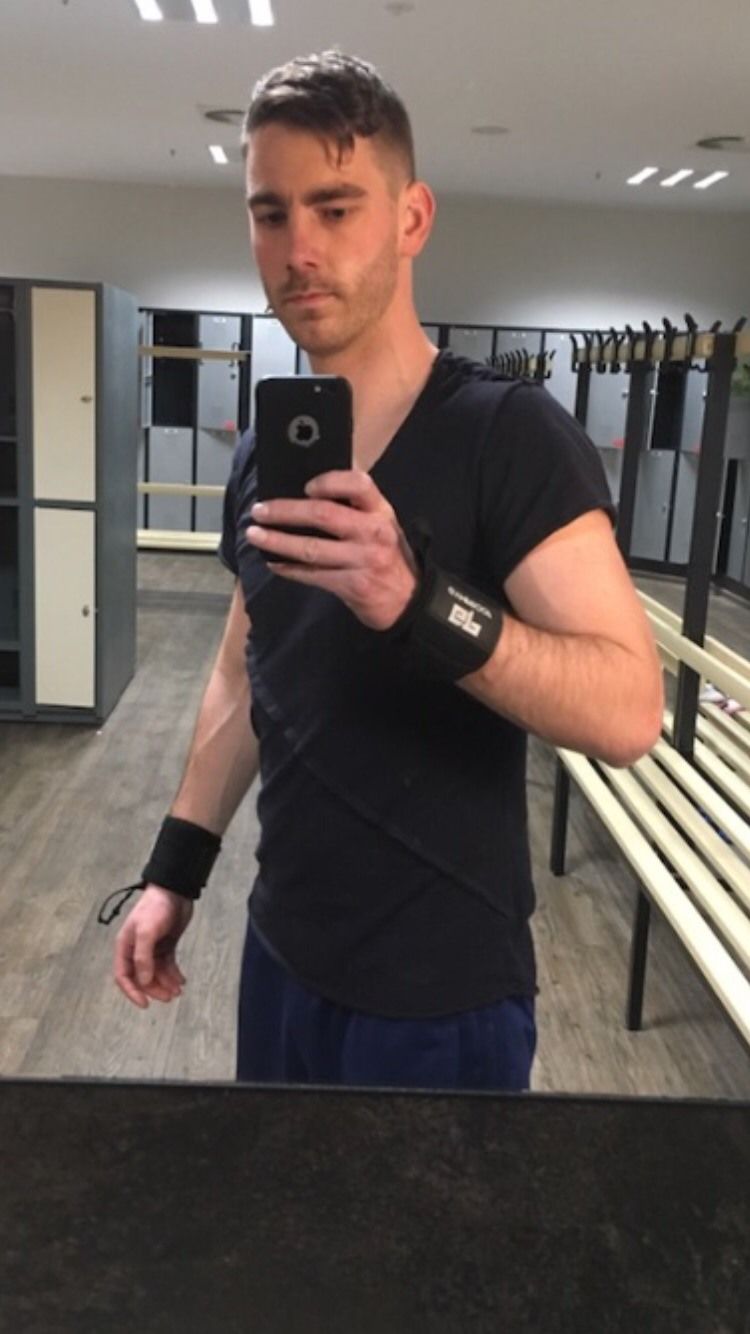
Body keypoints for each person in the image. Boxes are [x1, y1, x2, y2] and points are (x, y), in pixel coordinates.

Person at [112, 51, 663, 1092]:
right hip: (283, 954)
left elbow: (630, 708)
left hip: (439, 999)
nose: (299, 248)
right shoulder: (266, 456)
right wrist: (175, 871)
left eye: (335, 207)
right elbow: (242, 673)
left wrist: (417, 602)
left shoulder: (509, 436)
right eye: (270, 213)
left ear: (412, 219)